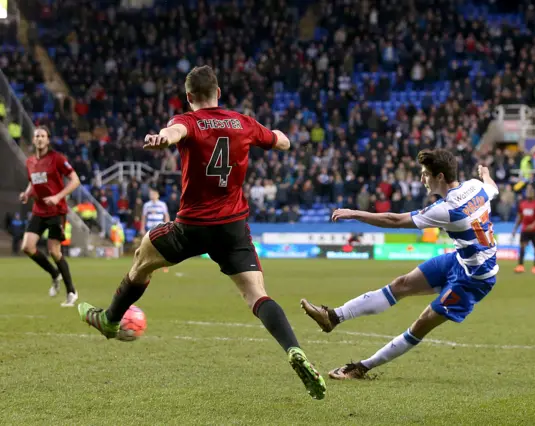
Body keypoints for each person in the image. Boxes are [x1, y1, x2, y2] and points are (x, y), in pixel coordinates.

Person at [77, 65, 326, 400]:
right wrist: (280, 137)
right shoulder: (242, 122)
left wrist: (162, 138)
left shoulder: (188, 121)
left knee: (142, 259)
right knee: (256, 294)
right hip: (233, 228)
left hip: (192, 227)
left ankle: (109, 319)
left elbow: (175, 132)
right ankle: (293, 349)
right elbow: (281, 141)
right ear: (219, 92)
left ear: (189, 96)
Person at [301, 150, 499, 380]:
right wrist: (485, 173)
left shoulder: (447, 209)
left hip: (475, 279)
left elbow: (393, 220)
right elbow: (491, 185)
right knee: (401, 283)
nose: (422, 179)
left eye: (426, 174)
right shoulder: (477, 186)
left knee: (422, 323)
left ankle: (361, 368)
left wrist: (354, 213)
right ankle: (333, 317)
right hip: (460, 260)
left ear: (441, 177)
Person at [20, 126, 80, 307]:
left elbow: (75, 180)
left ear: (48, 140)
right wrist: (26, 194)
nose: (39, 138)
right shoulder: (30, 161)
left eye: (42, 136)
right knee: (27, 247)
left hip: (56, 211)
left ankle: (72, 292)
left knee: (54, 251)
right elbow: (33, 182)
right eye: (36, 135)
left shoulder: (57, 159)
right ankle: (55, 275)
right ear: (33, 140)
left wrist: (57, 197)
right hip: (39, 210)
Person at [512, 185, 535, 274]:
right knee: (522, 247)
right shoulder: (522, 204)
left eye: (531, 191)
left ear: (534, 193)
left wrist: (533, 225)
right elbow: (520, 217)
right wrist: (515, 229)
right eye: (527, 191)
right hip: (524, 230)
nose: (529, 193)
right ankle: (520, 266)